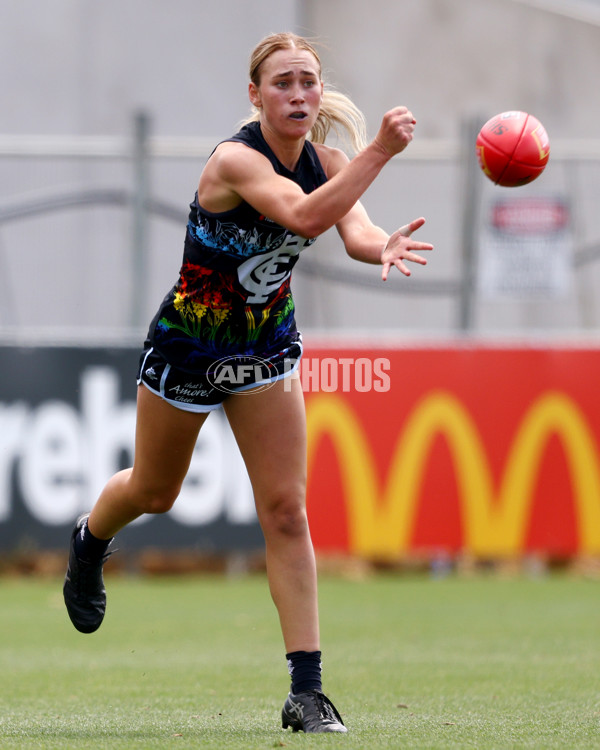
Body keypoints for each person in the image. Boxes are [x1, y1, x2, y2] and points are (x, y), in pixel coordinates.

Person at [63, 31, 433, 734]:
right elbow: (300, 215)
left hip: (266, 351)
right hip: (190, 348)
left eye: (308, 83)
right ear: (256, 95)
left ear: (319, 93)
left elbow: (350, 230)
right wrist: (382, 152)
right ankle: (88, 542)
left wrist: (378, 241)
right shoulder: (235, 159)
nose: (298, 95)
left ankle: (308, 691)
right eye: (283, 83)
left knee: (287, 511)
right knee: (154, 490)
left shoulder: (329, 160)